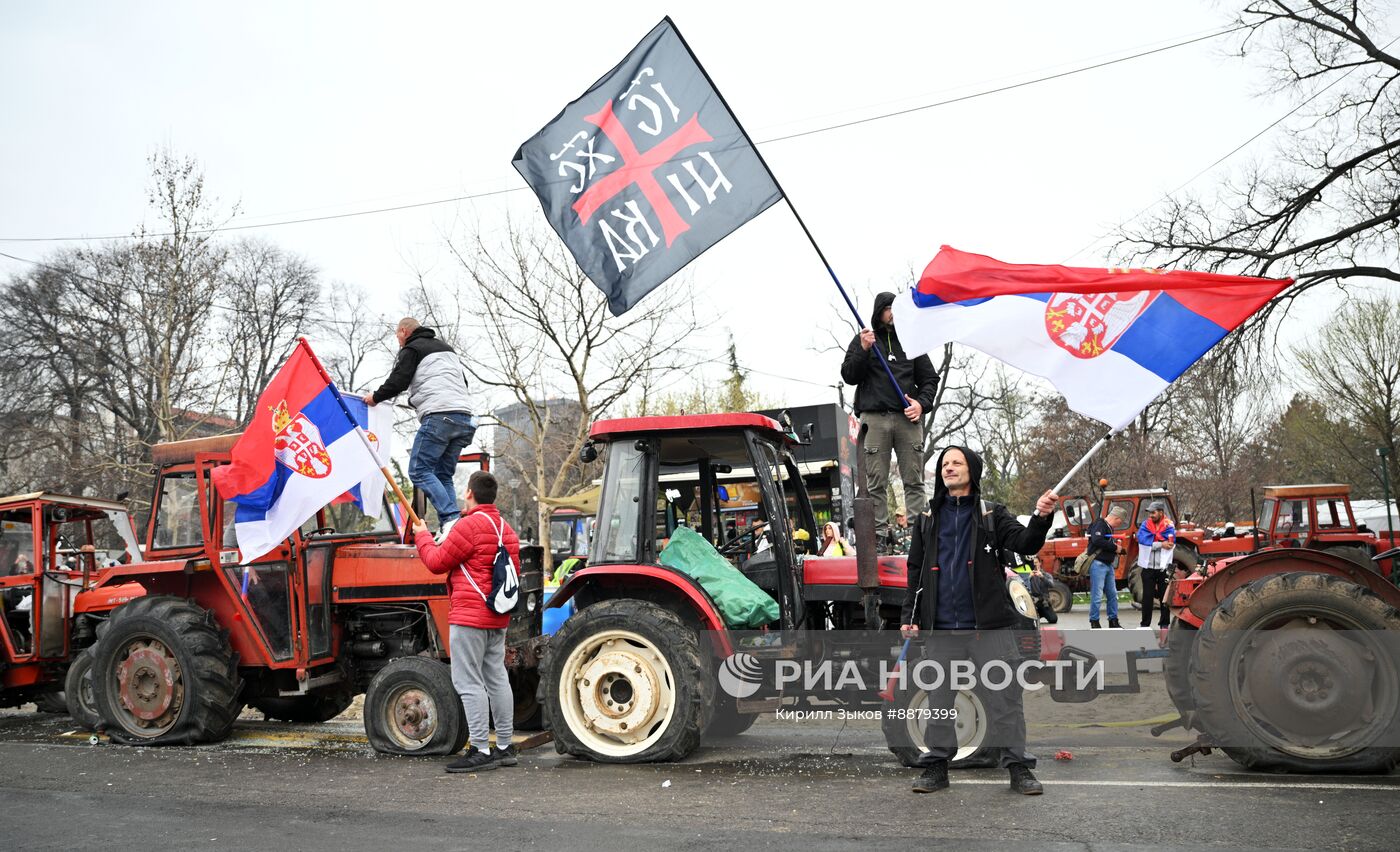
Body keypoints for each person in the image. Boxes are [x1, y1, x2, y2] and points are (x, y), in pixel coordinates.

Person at [900, 446, 1059, 796]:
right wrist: (908, 616)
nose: (949, 469)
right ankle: (937, 767)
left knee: (1004, 698)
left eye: (956, 463)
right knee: (939, 700)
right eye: (944, 464)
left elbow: (1027, 542)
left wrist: (1041, 516)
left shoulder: (992, 514)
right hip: (941, 628)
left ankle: (1019, 768)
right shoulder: (927, 517)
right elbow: (915, 570)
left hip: (989, 627)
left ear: (972, 470)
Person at [412, 471, 521, 772]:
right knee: (496, 678)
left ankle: (480, 750)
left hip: (469, 617)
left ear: (469, 493)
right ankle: (504, 747)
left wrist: (421, 534)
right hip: (497, 616)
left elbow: (436, 562)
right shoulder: (506, 529)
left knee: (468, 682)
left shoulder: (468, 526)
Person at [841, 292, 939, 549]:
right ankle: (879, 537)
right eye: (888, 309)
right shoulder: (865, 340)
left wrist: (921, 404)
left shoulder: (911, 341)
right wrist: (863, 350)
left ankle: (921, 535)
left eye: (896, 308)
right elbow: (849, 374)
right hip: (875, 418)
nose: (893, 313)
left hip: (907, 419)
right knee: (876, 481)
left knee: (914, 479)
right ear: (879, 312)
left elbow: (930, 379)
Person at [364, 318, 475, 537]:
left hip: (439, 416)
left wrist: (375, 397)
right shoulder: (447, 350)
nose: (398, 341)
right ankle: (453, 527)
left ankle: (451, 518)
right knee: (443, 475)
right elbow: (463, 383)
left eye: (397, 336)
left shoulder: (412, 348)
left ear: (403, 331)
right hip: (465, 417)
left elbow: (399, 380)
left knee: (418, 469)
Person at [1085, 505, 1128, 629]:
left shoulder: (1107, 527)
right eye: (1121, 522)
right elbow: (1097, 540)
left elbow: (1103, 542)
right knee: (1097, 594)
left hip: (1107, 564)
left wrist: (1115, 549)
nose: (1120, 525)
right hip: (1098, 563)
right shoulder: (1100, 525)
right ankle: (1094, 621)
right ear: (1117, 518)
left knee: (1112, 594)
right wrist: (1116, 548)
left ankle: (1113, 620)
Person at [1136, 500, 1175, 629]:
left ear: (1161, 512)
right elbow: (1142, 541)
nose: (1150, 516)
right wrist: (1160, 544)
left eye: (1153, 513)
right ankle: (1144, 625)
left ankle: (1164, 625)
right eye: (1149, 513)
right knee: (1147, 598)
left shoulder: (1169, 526)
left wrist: (1154, 543)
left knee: (1165, 598)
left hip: (1163, 567)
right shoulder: (1145, 525)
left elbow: (1170, 544)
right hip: (1148, 567)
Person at [1025, 559, 1058, 625]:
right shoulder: (1028, 575)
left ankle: (1042, 613)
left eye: (1036, 562)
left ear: (1040, 563)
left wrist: (1042, 577)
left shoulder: (1046, 575)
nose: (1035, 564)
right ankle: (1037, 614)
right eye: (1033, 563)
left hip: (1044, 602)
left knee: (1053, 619)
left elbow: (1052, 585)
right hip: (1033, 602)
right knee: (1028, 622)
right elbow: (1023, 586)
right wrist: (1029, 577)